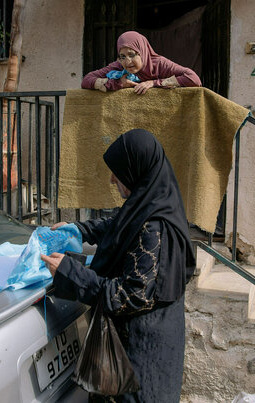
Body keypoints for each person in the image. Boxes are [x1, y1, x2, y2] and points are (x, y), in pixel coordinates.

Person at [41, 129, 195, 402]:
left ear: (136, 170)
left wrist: (71, 273)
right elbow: (120, 225)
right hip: (143, 344)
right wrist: (79, 230)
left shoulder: (155, 228)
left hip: (140, 358)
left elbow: (130, 295)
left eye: (118, 172)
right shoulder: (154, 202)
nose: (112, 178)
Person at [81, 31, 202, 95]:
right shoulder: (118, 66)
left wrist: (153, 83)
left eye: (131, 54)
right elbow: (86, 80)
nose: (127, 62)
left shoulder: (159, 64)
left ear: (142, 51)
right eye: (122, 56)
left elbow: (194, 79)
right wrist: (117, 83)